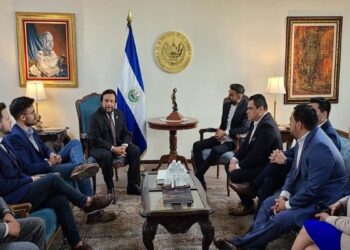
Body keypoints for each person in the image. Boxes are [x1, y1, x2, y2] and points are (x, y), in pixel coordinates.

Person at [214, 104, 347, 250]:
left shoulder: (321, 147)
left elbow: (312, 191)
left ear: (299, 124)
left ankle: (240, 244)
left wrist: (287, 205)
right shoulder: (306, 138)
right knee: (267, 204)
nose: (288, 125)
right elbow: (293, 172)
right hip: (306, 193)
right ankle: (252, 246)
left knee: (281, 218)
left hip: (322, 202)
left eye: (290, 121)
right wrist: (284, 196)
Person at [0, 102, 114, 250]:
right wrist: (32, 177)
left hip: (28, 181)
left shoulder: (5, 142)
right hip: (15, 196)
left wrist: (51, 156)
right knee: (54, 177)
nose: (10, 121)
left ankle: (77, 244)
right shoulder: (13, 138)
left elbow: (30, 159)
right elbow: (4, 186)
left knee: (60, 198)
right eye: (7, 118)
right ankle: (86, 201)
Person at [231, 97, 342, 213]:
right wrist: (280, 153)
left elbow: (313, 165)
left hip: (308, 178)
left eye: (313, 110)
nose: (309, 113)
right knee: (271, 175)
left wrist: (285, 160)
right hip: (296, 169)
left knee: (271, 177)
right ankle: (258, 210)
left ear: (324, 114)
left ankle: (254, 191)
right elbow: (294, 152)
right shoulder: (310, 132)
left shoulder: (328, 136)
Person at [227, 94, 282, 216]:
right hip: (257, 162)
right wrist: (234, 159)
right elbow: (246, 145)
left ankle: (249, 201)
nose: (247, 112)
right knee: (229, 166)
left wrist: (237, 166)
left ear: (261, 109)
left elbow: (257, 155)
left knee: (235, 174)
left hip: (266, 168)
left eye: (250, 108)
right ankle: (248, 203)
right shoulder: (256, 121)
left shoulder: (267, 126)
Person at [194, 83, 249, 190]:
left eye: (231, 95)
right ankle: (200, 178)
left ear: (239, 96)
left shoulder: (246, 107)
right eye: (229, 93)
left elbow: (244, 128)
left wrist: (226, 132)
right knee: (196, 145)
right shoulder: (226, 104)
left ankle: (198, 175)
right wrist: (219, 132)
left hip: (233, 140)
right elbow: (223, 124)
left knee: (215, 150)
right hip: (222, 136)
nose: (228, 96)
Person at [88, 89, 141, 195]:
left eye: (111, 101)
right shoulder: (94, 117)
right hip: (99, 147)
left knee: (135, 150)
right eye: (106, 101)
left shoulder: (119, 114)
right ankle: (110, 188)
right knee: (107, 155)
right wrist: (113, 148)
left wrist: (124, 146)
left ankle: (132, 186)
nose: (109, 104)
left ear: (115, 103)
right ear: (101, 102)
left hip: (117, 145)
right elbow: (96, 139)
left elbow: (126, 133)